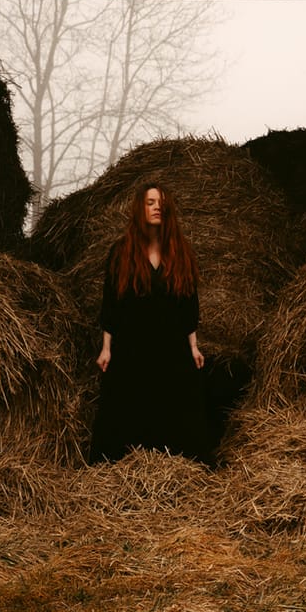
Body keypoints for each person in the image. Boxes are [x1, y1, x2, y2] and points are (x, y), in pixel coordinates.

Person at [88, 182, 213, 464]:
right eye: (151, 202)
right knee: (127, 399)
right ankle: (125, 461)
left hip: (169, 341)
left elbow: (189, 301)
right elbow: (111, 302)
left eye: (162, 203)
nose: (158, 207)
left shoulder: (179, 251)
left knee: (178, 396)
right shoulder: (121, 251)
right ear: (139, 209)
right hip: (133, 340)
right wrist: (106, 348)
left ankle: (173, 460)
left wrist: (193, 346)